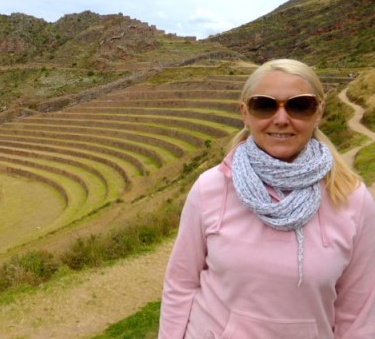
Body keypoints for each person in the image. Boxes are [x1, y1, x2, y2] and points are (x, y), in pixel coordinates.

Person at [158, 59, 375, 339]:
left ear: (319, 112)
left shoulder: (352, 200)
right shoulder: (211, 187)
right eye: (265, 105)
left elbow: (359, 314)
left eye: (299, 105)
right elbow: (181, 284)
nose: (281, 119)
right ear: (245, 113)